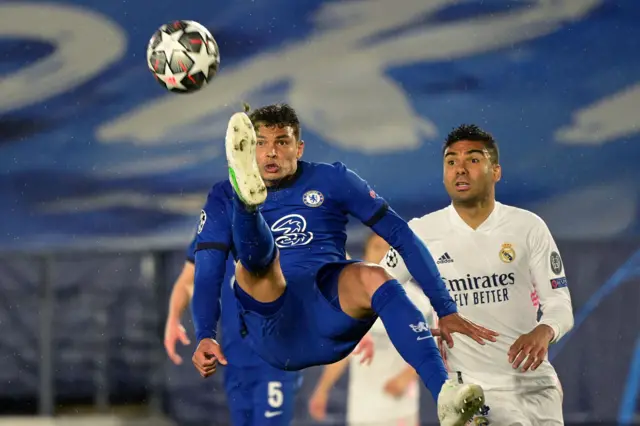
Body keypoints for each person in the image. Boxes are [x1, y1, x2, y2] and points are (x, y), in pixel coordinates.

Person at [191, 103, 499, 426]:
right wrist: (204, 333)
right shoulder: (220, 197)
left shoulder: (331, 179)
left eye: (282, 142)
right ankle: (248, 206)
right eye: (260, 143)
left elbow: (400, 233)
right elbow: (208, 268)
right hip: (274, 330)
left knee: (375, 275)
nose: (271, 153)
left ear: (299, 147)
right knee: (255, 268)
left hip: (330, 316)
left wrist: (446, 308)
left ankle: (445, 394)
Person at [381, 124, 574, 425]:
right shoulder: (420, 233)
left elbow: (559, 303)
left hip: (535, 387)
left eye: (472, 159)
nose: (460, 169)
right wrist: (413, 327)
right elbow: (376, 286)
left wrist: (545, 329)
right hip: (470, 393)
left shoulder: (528, 226)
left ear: (495, 171)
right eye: (451, 161)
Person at [164, 234, 302, 425]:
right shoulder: (215, 225)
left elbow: (330, 261)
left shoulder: (286, 219)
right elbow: (188, 279)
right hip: (234, 360)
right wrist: (173, 318)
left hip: (274, 363)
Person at [308, 233, 432, 426]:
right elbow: (345, 352)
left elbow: (431, 349)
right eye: (376, 248)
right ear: (366, 256)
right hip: (362, 410)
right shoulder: (353, 302)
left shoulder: (416, 301)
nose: (382, 254)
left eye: (387, 249)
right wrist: (322, 389)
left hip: (400, 410)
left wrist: (405, 378)